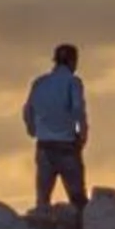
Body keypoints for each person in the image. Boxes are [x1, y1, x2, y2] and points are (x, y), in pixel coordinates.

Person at [23, 44, 90, 211]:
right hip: (67, 145)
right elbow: (77, 111)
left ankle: (41, 224)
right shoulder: (73, 82)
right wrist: (81, 135)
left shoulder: (39, 83)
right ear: (73, 61)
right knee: (78, 199)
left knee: (43, 199)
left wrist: (33, 130)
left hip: (44, 145)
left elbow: (28, 110)